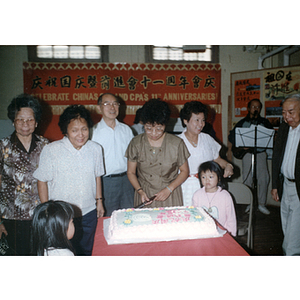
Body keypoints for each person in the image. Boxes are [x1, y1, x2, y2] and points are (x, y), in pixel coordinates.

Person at [33, 105, 104, 255]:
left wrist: (99, 201)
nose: (81, 135)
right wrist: (48, 210)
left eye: (84, 129)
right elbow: (41, 181)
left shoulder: (95, 148)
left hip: (88, 212)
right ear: (65, 131)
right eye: (74, 130)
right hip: (61, 217)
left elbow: (97, 176)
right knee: (64, 253)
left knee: (87, 251)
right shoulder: (52, 150)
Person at [0, 94, 49, 255]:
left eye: (29, 119)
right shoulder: (3, 147)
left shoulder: (46, 145)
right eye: (20, 119)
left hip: (40, 216)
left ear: (36, 122)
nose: (25, 124)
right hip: (11, 217)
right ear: (13, 121)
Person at [126, 98, 190, 208]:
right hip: (144, 194)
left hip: (170, 194)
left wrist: (169, 189)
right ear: (143, 124)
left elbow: (184, 171)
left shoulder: (176, 143)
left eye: (159, 128)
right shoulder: (136, 143)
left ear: (165, 124)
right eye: (149, 128)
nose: (154, 133)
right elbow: (131, 172)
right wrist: (140, 191)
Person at [178, 101, 234, 206]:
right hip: (184, 187)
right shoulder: (177, 141)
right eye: (197, 120)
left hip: (207, 186)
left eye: (203, 120)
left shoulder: (207, 139)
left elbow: (217, 159)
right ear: (186, 121)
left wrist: (228, 165)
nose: (201, 124)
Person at [91, 93, 134, 216]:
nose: (112, 107)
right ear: (99, 108)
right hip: (105, 183)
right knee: (108, 219)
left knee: (128, 217)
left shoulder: (126, 130)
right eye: (107, 104)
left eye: (115, 104)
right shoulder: (93, 132)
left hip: (127, 181)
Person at [228, 98, 273, 215]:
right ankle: (250, 203)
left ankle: (262, 204)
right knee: (247, 180)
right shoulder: (242, 122)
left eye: (258, 107)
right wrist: (242, 145)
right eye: (253, 107)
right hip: (247, 154)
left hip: (260, 154)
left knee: (264, 179)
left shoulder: (264, 122)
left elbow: (270, 135)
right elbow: (231, 137)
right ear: (248, 108)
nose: (256, 109)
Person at [271, 94, 300, 255]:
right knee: (287, 228)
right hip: (285, 185)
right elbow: (276, 158)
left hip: (298, 188)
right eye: (283, 113)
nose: (286, 117)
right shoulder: (283, 128)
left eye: (291, 112)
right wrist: (275, 185)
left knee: (293, 239)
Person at [192, 161, 237, 236]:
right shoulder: (197, 195)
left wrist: (231, 235)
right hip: (202, 233)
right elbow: (194, 216)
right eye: (203, 177)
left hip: (222, 233)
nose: (207, 180)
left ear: (219, 178)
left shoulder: (225, 196)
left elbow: (231, 218)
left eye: (211, 177)